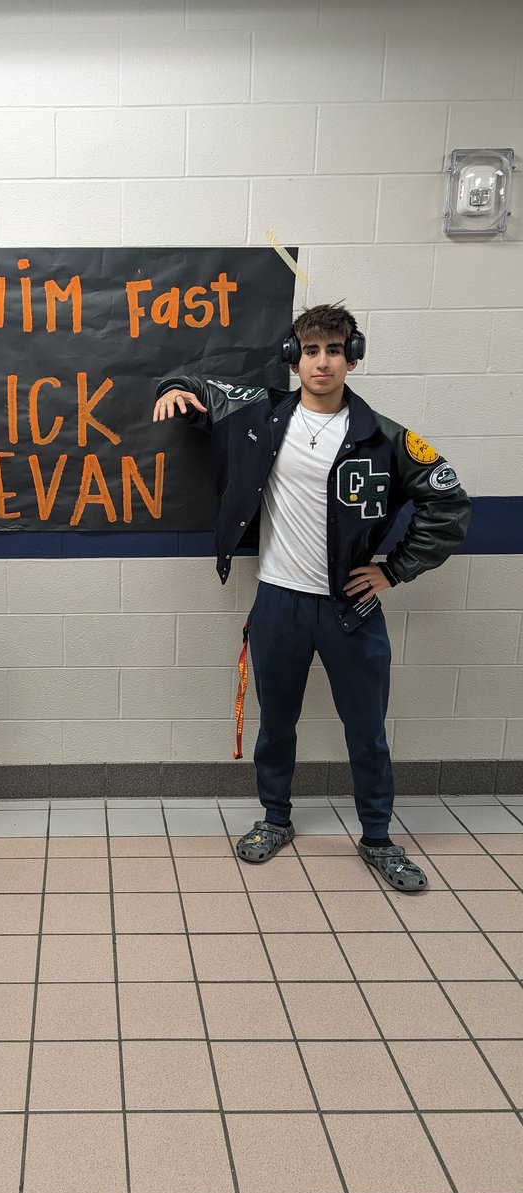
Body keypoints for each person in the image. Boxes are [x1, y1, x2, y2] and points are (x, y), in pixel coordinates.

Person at [154, 304, 471, 890]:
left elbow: (449, 505)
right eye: (309, 350)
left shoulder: (385, 437)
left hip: (351, 608)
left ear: (353, 355)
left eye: (333, 350)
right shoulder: (263, 414)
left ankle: (377, 836)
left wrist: (393, 571)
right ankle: (275, 818)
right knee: (277, 721)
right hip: (279, 602)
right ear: (291, 357)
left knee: (366, 729)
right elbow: (199, 384)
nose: (320, 362)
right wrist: (176, 387)